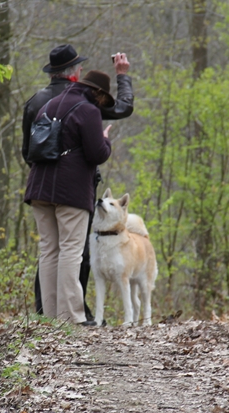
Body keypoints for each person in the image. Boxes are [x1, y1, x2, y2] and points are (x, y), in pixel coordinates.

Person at [22, 44, 134, 320]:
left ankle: (49, 316)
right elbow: (98, 153)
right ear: (98, 93)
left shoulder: (42, 103)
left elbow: (29, 150)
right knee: (72, 251)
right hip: (70, 191)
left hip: (37, 187)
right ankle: (71, 316)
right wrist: (105, 140)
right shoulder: (88, 110)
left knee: (48, 251)